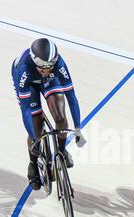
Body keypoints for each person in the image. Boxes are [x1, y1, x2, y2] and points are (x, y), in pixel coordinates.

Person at [11, 38, 86, 190]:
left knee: (60, 117)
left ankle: (61, 151)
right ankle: (33, 164)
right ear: (34, 61)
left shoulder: (58, 65)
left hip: (49, 81)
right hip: (28, 83)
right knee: (36, 122)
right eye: (42, 67)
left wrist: (78, 129)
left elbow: (71, 97)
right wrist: (34, 139)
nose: (46, 69)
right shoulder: (24, 68)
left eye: (49, 66)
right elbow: (25, 110)